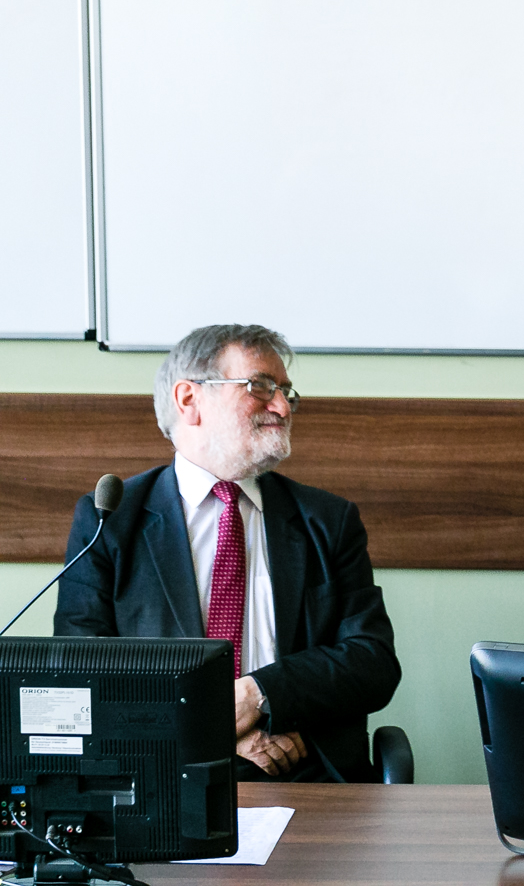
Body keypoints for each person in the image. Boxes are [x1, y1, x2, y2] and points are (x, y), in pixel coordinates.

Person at [55, 324, 402, 782]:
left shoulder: (327, 520)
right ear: (189, 400)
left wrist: (258, 694)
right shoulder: (110, 520)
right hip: (161, 773)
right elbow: (80, 673)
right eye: (260, 387)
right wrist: (213, 729)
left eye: (286, 392)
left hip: (302, 769)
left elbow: (373, 662)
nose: (282, 406)